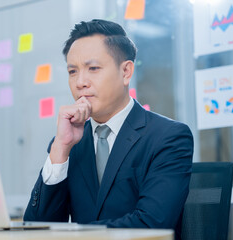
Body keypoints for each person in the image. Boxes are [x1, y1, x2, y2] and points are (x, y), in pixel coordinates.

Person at [24, 19, 194, 239]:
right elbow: (35, 230)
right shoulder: (69, 142)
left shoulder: (168, 137)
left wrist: (72, 234)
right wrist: (60, 150)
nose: (80, 82)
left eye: (93, 68)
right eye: (73, 71)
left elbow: (152, 224)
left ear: (126, 72)